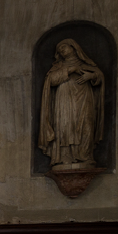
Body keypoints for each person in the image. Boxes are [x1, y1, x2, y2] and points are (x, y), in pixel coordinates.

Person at [38, 38, 104, 167]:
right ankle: (65, 157)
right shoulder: (58, 67)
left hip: (84, 96)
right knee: (65, 125)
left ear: (74, 47)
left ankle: (85, 156)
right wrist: (70, 70)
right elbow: (51, 81)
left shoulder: (86, 63)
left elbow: (99, 76)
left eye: (64, 47)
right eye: (59, 50)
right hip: (64, 98)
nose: (62, 51)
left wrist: (91, 76)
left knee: (86, 123)